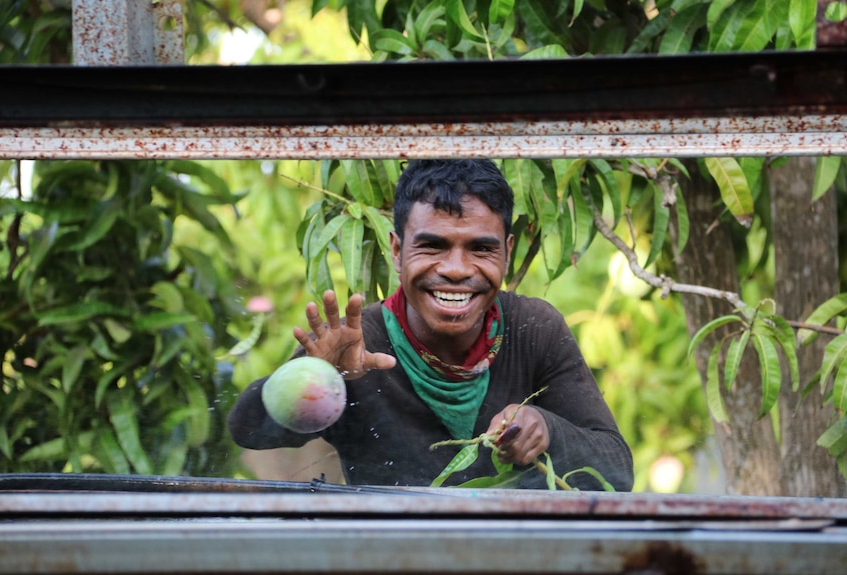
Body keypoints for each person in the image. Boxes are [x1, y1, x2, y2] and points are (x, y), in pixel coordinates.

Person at [228, 159, 633, 491]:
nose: (456, 269)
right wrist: (314, 377)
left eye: (481, 249)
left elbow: (617, 470)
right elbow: (248, 430)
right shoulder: (355, 345)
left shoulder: (534, 329)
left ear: (507, 254)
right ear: (397, 250)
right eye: (432, 245)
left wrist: (548, 430)